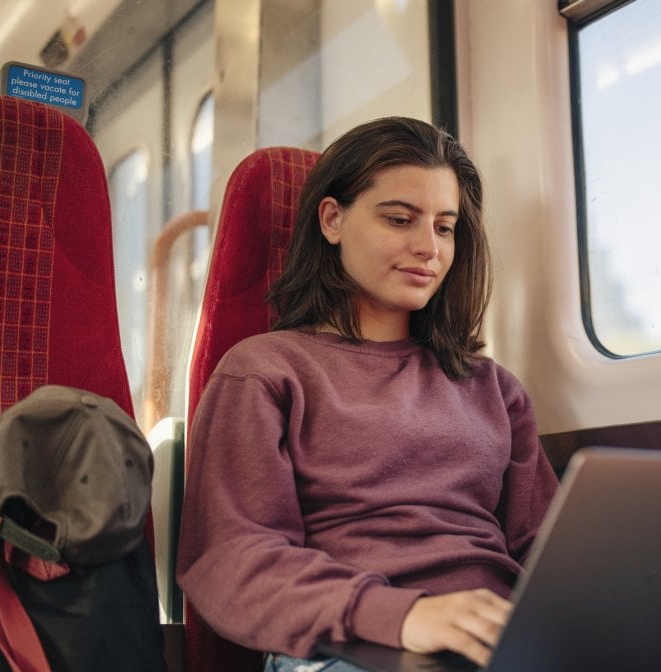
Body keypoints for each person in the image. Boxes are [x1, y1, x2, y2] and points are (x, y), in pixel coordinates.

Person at [176, 117, 560, 671]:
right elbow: (231, 558)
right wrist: (401, 616)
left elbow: (543, 548)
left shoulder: (492, 388)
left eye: (445, 228)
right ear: (332, 220)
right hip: (349, 643)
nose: (428, 247)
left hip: (497, 643)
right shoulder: (265, 371)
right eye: (400, 219)